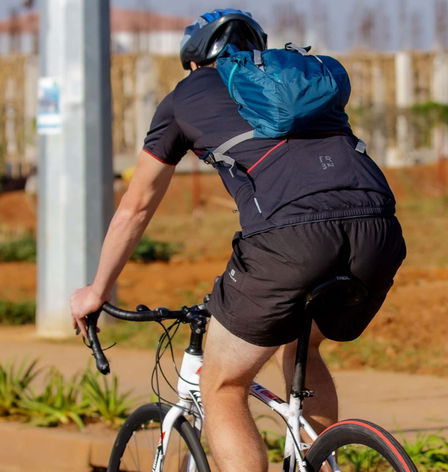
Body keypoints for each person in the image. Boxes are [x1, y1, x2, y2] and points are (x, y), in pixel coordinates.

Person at [69, 9, 405, 472]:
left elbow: (136, 205)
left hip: (289, 240)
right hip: (379, 229)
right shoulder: (294, 85)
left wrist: (97, 290)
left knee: (223, 385)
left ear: (193, 63)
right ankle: (318, 461)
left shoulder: (185, 96)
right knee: (303, 345)